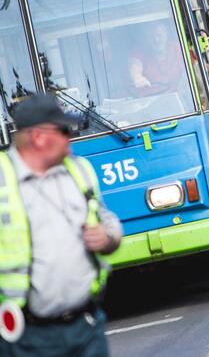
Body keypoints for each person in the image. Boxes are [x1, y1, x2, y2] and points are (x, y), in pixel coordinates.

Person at [0, 93, 122, 356]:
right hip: (27, 338)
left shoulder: (79, 169)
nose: (71, 137)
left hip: (87, 326)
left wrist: (108, 236)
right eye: (64, 130)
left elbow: (106, 218)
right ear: (39, 137)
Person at [129, 22, 186, 93]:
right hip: (149, 100)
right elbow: (134, 63)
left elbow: (193, 66)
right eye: (151, 37)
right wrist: (137, 76)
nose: (156, 40)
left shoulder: (177, 49)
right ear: (147, 39)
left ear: (166, 34)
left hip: (175, 97)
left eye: (159, 35)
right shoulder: (141, 51)